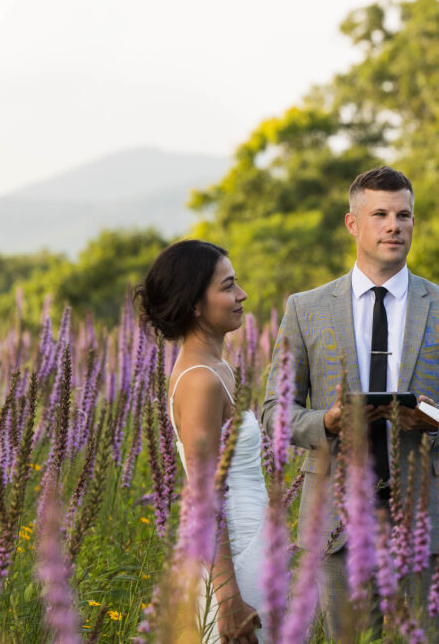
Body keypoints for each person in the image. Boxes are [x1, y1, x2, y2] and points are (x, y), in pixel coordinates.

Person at [261, 166, 439, 641]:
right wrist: (327, 423)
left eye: (404, 215)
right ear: (353, 224)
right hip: (338, 525)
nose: (394, 225)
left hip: (428, 520)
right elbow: (276, 411)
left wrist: (438, 417)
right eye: (380, 214)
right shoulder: (305, 309)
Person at [136, 240, 268, 644]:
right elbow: (204, 494)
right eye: (228, 286)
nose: (241, 294)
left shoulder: (218, 367)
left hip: (250, 542)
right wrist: (227, 595)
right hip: (231, 562)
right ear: (195, 304)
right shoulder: (200, 380)